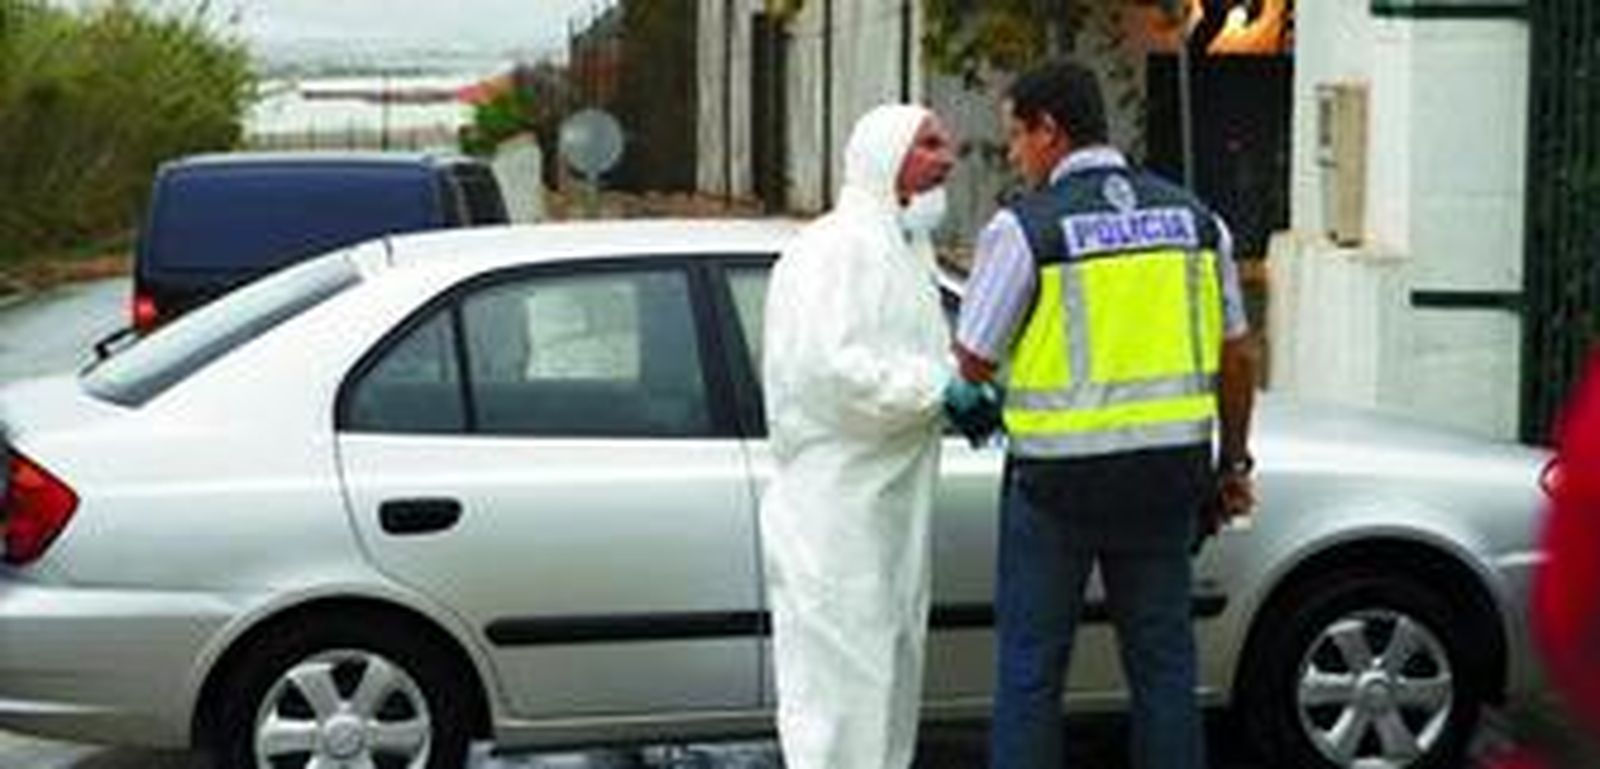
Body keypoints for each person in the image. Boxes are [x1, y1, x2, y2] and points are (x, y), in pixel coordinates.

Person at [952, 60, 1258, 769]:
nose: (1016, 156)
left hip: (1056, 489)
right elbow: (1236, 358)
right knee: (1164, 670)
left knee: (1032, 671)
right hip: (1167, 482)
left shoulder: (1026, 229)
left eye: (1016, 138)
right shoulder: (1196, 220)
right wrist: (1232, 464)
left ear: (1049, 130)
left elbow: (972, 361)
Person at [760, 103, 974, 769]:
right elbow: (831, 369)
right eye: (930, 144)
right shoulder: (834, 249)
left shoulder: (905, 250)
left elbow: (912, 353)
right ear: (886, 157)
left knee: (883, 678)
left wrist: (950, 386)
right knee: (837, 693)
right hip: (836, 510)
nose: (948, 156)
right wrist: (938, 390)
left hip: (888, 504)